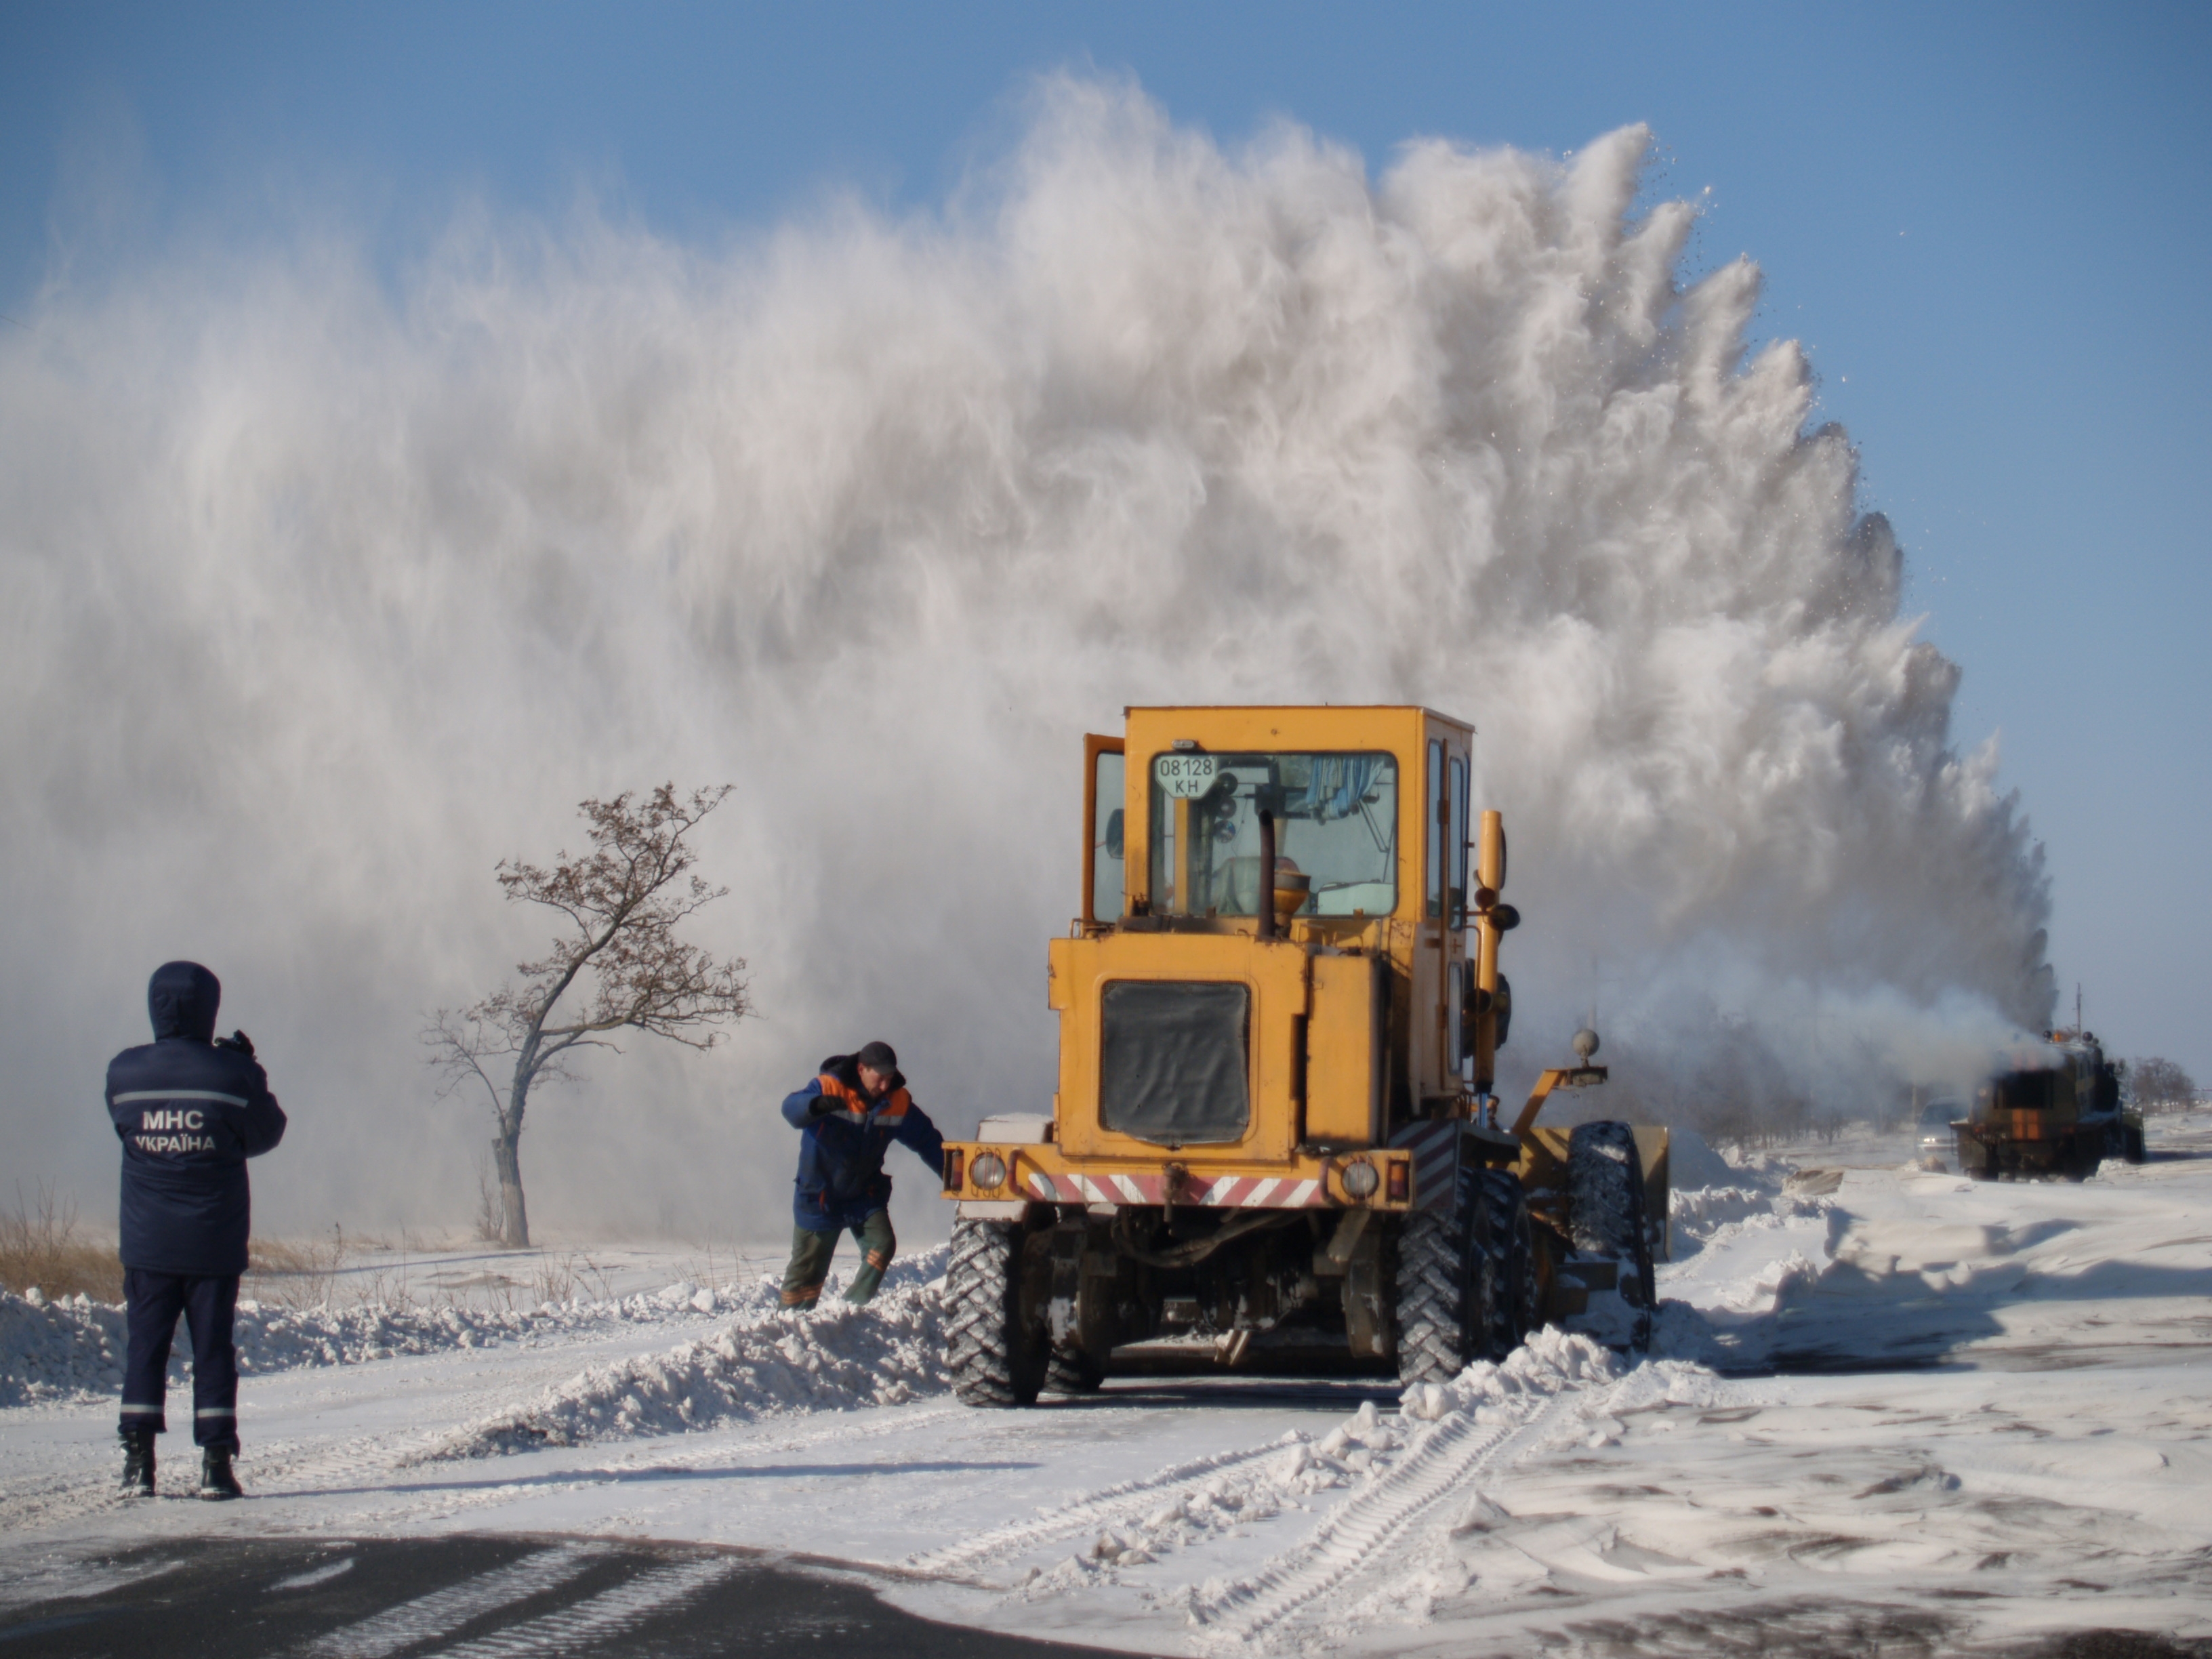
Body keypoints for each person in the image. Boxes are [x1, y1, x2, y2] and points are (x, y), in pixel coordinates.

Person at [105, 962, 286, 1499]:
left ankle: (138, 1464)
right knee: (212, 1353)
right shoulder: (234, 1077)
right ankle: (215, 1466)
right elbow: (267, 1133)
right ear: (210, 1007)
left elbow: (124, 1130)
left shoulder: (124, 1073)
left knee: (146, 1350)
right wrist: (247, 1070)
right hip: (213, 1243)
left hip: (148, 1243)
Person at [779, 1040, 943, 1310]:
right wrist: (815, 1105)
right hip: (821, 1195)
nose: (884, 1087)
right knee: (807, 1275)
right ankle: (790, 1327)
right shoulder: (828, 1087)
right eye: (880, 1079)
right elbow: (791, 1108)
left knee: (882, 1245)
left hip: (863, 1195)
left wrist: (954, 1176)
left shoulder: (896, 1101)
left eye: (889, 1079)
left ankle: (851, 1310)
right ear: (862, 1069)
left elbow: (927, 1140)